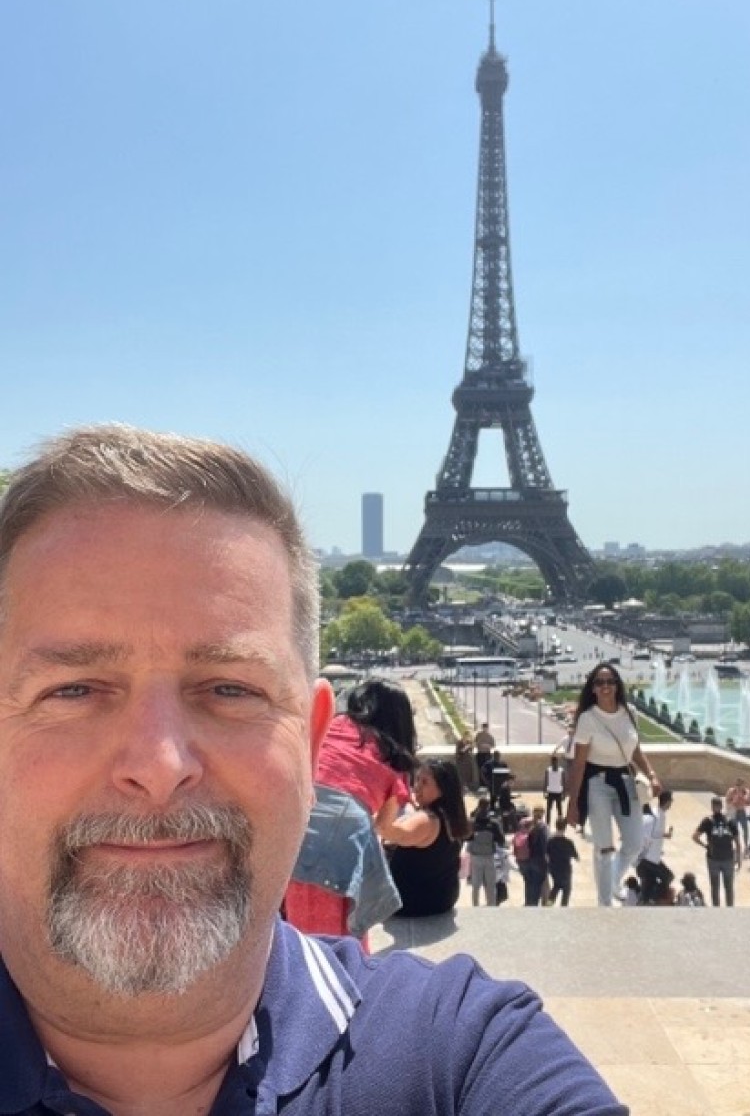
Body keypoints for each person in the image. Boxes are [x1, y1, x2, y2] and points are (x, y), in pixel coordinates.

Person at [0, 425, 628, 1115]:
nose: (159, 764)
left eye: (231, 689)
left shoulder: (465, 1053)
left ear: (310, 743)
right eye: (72, 690)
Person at [284, 679, 415, 942]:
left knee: (301, 927)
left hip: (296, 824)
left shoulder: (333, 726)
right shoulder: (394, 755)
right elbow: (384, 826)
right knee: (343, 930)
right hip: (346, 832)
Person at [566, 664, 662, 907]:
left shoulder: (630, 713)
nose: (605, 686)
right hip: (597, 784)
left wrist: (651, 774)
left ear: (618, 685)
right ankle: (605, 902)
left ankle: (611, 885)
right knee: (605, 847)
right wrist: (573, 803)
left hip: (626, 781)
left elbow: (635, 750)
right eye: (600, 682)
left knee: (634, 843)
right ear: (593, 688)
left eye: (610, 681)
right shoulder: (587, 719)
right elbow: (578, 764)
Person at [384, 759, 470, 918]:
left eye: (424, 782)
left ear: (442, 789)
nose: (416, 787)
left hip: (413, 901)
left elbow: (385, 830)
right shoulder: (451, 816)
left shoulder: (428, 820)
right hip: (442, 898)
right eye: (417, 780)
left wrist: (394, 796)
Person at [693, 797, 742, 907]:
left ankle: (719, 909)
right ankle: (728, 908)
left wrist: (706, 846)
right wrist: (738, 858)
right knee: (727, 886)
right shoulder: (728, 821)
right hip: (725, 857)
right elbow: (738, 842)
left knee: (717, 886)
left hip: (715, 858)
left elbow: (695, 837)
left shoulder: (709, 821)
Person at [636, 791, 675, 905]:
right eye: (671, 801)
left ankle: (646, 900)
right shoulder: (654, 816)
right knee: (668, 876)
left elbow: (655, 833)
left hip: (654, 856)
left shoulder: (660, 814)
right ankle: (655, 899)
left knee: (649, 881)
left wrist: (664, 836)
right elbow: (647, 834)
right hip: (648, 858)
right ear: (667, 802)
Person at [466, 797, 506, 906]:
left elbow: (467, 838)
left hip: (475, 857)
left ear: (478, 806)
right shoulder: (493, 823)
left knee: (476, 885)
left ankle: (475, 906)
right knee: (490, 885)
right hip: (489, 856)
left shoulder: (473, 822)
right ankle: (491, 906)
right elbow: (501, 840)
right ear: (488, 807)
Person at [546, 817, 579, 906]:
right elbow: (576, 856)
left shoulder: (550, 841)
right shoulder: (568, 842)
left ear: (556, 826)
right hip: (565, 870)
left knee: (556, 886)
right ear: (565, 827)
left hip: (554, 869)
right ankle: (563, 908)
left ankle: (549, 905)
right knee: (566, 890)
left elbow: (546, 855)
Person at [725, 777, 750, 853]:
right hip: (733, 812)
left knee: (745, 829)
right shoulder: (731, 791)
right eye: (737, 784)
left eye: (740, 785)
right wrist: (735, 798)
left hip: (742, 812)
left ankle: (746, 846)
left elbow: (748, 802)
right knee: (734, 830)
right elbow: (727, 801)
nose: (739, 786)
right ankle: (735, 846)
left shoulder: (746, 791)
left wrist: (742, 798)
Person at [544, 754, 567, 825]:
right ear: (551, 762)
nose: (554, 763)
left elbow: (563, 782)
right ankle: (547, 824)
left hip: (558, 792)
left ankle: (560, 824)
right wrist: (544, 792)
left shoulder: (561, 771)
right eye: (553, 762)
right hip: (550, 792)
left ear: (557, 762)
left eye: (555, 762)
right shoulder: (548, 770)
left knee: (559, 809)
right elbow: (546, 781)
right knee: (548, 809)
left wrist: (564, 794)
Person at [474, 721, 496, 787]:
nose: (485, 729)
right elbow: (475, 743)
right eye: (484, 728)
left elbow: (493, 745)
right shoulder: (478, 735)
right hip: (480, 754)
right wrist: (479, 745)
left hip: (487, 754)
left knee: (487, 769)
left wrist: (487, 746)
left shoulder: (490, 736)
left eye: (486, 728)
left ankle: (487, 784)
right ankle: (481, 784)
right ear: (482, 728)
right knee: (480, 769)